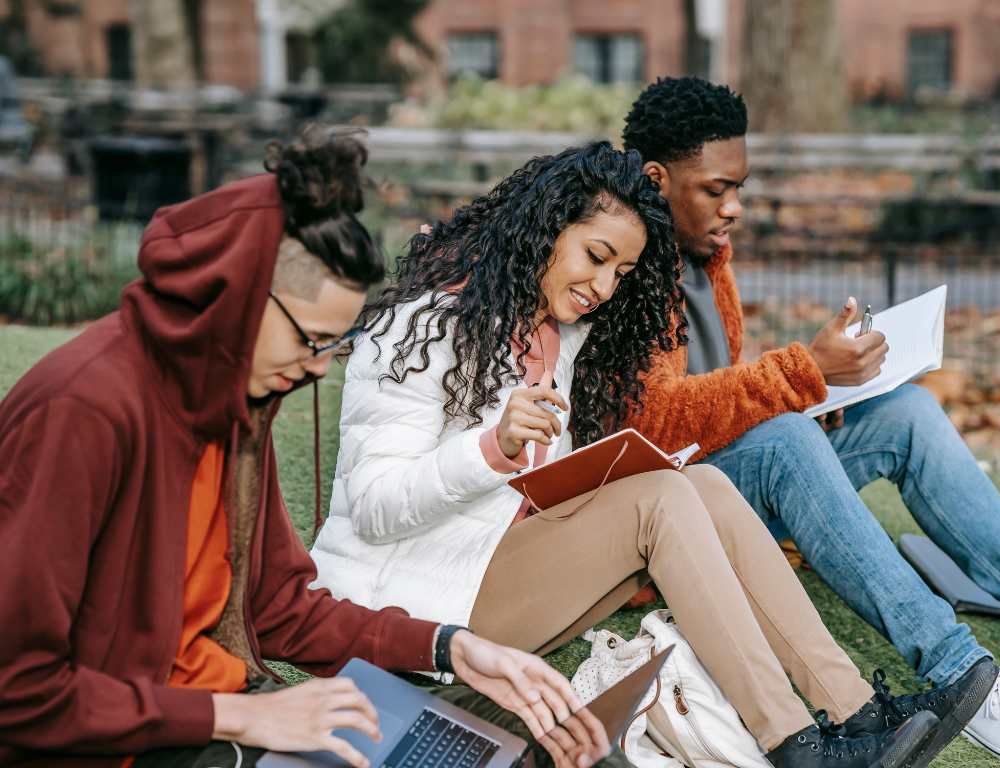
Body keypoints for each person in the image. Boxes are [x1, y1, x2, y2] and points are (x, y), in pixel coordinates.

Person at [310, 141, 952, 768]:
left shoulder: (555, 335)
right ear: (543, 229)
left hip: (485, 569)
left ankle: (853, 710)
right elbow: (372, 509)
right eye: (595, 255)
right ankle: (795, 745)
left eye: (620, 272)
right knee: (661, 499)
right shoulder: (423, 325)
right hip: (413, 609)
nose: (603, 285)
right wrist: (491, 449)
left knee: (700, 485)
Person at [0, 127, 608, 768]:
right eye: (311, 340)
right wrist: (241, 715)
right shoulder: (83, 410)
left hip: (220, 708)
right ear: (234, 298)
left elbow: (279, 609)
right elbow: (17, 687)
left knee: (525, 747)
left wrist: (449, 647)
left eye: (331, 345)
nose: (319, 367)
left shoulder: (232, 404)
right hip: (129, 744)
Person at [619, 74, 1000, 763]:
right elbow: (653, 422)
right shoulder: (622, 264)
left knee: (907, 413)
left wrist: (815, 394)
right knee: (783, 440)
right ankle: (964, 677)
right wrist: (801, 375)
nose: (735, 207)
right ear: (656, 179)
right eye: (717, 189)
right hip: (671, 516)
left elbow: (718, 393)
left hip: (732, 469)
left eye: (739, 187)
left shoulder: (706, 254)